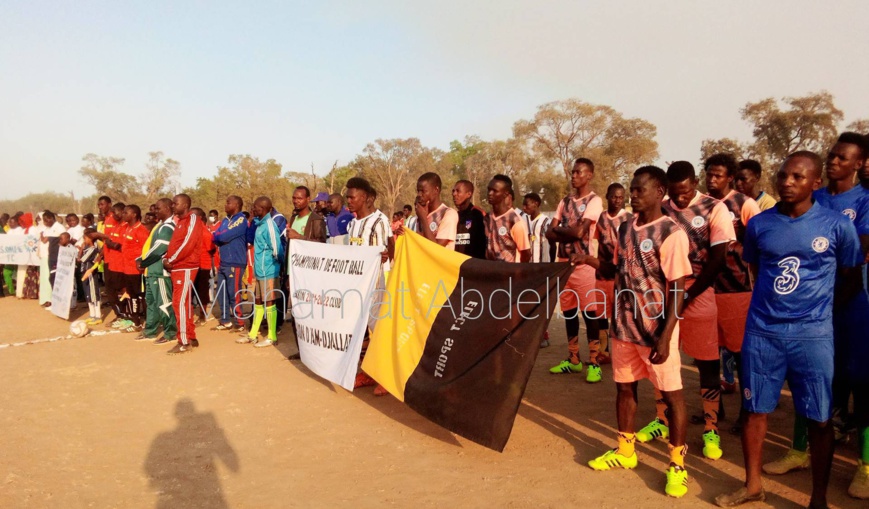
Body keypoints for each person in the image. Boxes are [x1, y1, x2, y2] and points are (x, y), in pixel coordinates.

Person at [714, 151, 863, 508]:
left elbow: (851, 277)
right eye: (783, 175)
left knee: (819, 417)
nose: (787, 182)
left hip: (812, 336)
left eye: (798, 177)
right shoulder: (761, 225)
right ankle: (752, 486)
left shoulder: (836, 226)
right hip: (763, 332)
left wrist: (819, 313)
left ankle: (818, 499)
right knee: (755, 411)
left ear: (815, 183)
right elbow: (755, 270)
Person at [575, 166, 692, 498]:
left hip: (656, 330)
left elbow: (677, 289)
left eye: (640, 190)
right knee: (625, 390)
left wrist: (667, 336)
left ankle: (677, 466)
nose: (633, 195)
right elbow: (616, 269)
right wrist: (589, 260)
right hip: (624, 327)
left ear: (660, 192)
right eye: (632, 189)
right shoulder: (625, 228)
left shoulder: (671, 232)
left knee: (673, 397)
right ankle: (625, 451)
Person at [639, 161, 734, 461]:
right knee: (661, 358)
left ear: (695, 182)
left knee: (706, 362)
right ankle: (661, 419)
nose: (681, 199)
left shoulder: (713, 208)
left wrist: (689, 295)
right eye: (675, 194)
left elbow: (719, 258)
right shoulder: (660, 208)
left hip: (698, 294)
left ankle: (710, 427)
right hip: (662, 296)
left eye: (686, 191)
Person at [704, 153, 761, 435]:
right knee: (709, 353)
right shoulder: (701, 204)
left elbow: (762, 239)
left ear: (730, 178)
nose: (712, 180)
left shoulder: (744, 204)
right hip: (707, 289)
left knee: (740, 355)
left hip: (737, 289)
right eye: (709, 174)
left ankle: (746, 411)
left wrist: (741, 251)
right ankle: (715, 410)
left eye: (718, 175)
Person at [545, 158, 604, 382]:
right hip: (564, 264)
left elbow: (581, 233)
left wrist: (561, 230)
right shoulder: (564, 201)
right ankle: (573, 360)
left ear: (589, 175)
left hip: (584, 265)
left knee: (590, 314)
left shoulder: (594, 201)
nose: (574, 176)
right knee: (569, 313)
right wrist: (567, 230)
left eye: (579, 173)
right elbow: (549, 233)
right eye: (573, 172)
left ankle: (595, 362)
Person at [344, 177, 394, 393]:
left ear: (364, 198)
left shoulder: (379, 221)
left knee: (378, 327)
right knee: (362, 328)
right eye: (347, 196)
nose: (349, 201)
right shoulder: (353, 224)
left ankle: (386, 375)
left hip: (377, 283)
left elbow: (390, 245)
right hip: (358, 284)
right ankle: (367, 372)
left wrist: (386, 256)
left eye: (352, 197)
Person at [593, 183, 633, 364]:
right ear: (607, 196)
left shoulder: (629, 219)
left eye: (620, 197)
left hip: (620, 278)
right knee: (601, 316)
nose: (617, 200)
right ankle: (604, 352)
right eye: (614, 196)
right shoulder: (601, 218)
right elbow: (595, 243)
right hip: (601, 276)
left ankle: (621, 353)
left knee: (620, 318)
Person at [237, 196, 283, 348]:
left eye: (255, 207)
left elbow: (277, 249)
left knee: (269, 302)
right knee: (257, 301)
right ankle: (252, 335)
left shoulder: (270, 225)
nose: (253, 209)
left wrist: (276, 265)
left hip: (269, 270)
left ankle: (272, 336)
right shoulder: (259, 224)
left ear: (263, 209)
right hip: (259, 271)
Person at [163, 194, 203, 355]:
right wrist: (167, 258)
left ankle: (184, 341)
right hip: (178, 267)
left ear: (185, 204)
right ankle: (190, 337)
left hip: (185, 266)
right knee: (183, 303)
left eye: (175, 203)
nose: (172, 206)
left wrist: (170, 259)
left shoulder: (192, 219)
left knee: (179, 303)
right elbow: (176, 244)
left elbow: (188, 243)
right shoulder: (180, 222)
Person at [136, 198, 177, 344]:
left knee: (164, 303)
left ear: (167, 208)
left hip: (160, 272)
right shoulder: (160, 225)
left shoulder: (168, 227)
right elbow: (150, 247)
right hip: (151, 271)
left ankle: (170, 332)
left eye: (158, 208)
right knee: (151, 303)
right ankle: (150, 331)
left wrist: (143, 261)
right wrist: (140, 259)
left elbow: (160, 249)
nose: (155, 211)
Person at [521, 192, 554, 348]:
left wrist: (551, 264)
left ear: (536, 203)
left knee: (541, 303)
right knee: (529, 302)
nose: (524, 207)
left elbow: (553, 244)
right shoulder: (524, 220)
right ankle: (533, 334)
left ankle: (544, 335)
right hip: (529, 269)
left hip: (542, 269)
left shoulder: (546, 222)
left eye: (527, 204)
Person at [211, 196, 248, 333]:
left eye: (228, 202)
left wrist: (220, 237)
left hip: (235, 262)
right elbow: (215, 236)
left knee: (234, 293)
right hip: (223, 261)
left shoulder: (241, 219)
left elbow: (222, 236)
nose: (225, 205)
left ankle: (240, 322)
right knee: (221, 292)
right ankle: (225, 320)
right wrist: (219, 237)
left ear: (237, 204)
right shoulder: (225, 220)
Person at [485, 174, 530, 264]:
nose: (490, 193)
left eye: (495, 191)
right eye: (489, 190)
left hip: (510, 274)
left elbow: (526, 253)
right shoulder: (487, 218)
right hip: (490, 273)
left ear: (505, 194)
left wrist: (518, 274)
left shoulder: (515, 221)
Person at [118, 205, 148, 333]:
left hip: (137, 271)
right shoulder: (126, 228)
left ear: (134, 214)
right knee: (131, 296)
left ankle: (147, 321)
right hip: (127, 270)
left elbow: (146, 250)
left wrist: (140, 262)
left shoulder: (141, 230)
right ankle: (136, 322)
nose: (123, 214)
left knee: (142, 296)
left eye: (126, 212)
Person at [411, 173, 458, 250]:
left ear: (436, 190)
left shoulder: (448, 214)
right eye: (418, 191)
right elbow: (419, 245)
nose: (419, 195)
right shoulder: (421, 214)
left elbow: (437, 249)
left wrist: (423, 219)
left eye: (423, 191)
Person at [191, 208, 216, 325]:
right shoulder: (190, 229)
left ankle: (202, 315)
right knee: (190, 291)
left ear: (199, 217)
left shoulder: (204, 232)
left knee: (202, 291)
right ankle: (189, 315)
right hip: (191, 265)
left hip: (202, 265)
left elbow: (211, 249)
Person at [452, 180, 487, 259]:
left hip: (473, 265)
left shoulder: (478, 214)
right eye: (453, 191)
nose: (454, 194)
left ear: (469, 194)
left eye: (458, 191)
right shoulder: (453, 215)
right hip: (456, 264)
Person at [38, 211, 66, 307]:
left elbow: (64, 240)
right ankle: (48, 299)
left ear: (51, 219)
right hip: (46, 255)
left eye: (46, 221)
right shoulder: (47, 228)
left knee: (52, 278)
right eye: (44, 221)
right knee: (47, 278)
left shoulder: (59, 227)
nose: (45, 223)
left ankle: (52, 300)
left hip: (54, 256)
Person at [79, 229, 103, 325]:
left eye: (85, 238)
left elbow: (82, 259)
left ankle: (98, 315)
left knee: (93, 294)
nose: (84, 240)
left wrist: (81, 249)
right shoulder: (87, 248)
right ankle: (92, 314)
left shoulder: (92, 249)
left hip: (90, 274)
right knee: (88, 294)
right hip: (84, 273)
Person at [17, 213, 39, 299]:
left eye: (23, 221)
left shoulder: (33, 229)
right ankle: (21, 292)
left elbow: (33, 240)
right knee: (21, 272)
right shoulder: (22, 230)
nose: (22, 223)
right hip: (22, 254)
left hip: (31, 255)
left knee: (31, 274)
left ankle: (31, 293)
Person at [3, 216, 22, 297]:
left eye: (12, 222)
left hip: (19, 257)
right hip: (9, 257)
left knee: (19, 274)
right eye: (9, 222)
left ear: (17, 223)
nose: (10, 224)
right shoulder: (9, 231)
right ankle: (11, 291)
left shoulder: (21, 231)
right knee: (6, 273)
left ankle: (19, 290)